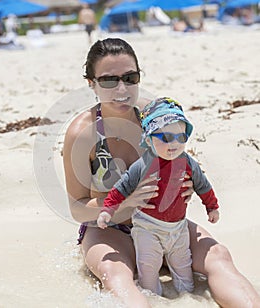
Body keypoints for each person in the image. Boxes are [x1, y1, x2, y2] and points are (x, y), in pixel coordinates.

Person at [63, 38, 260, 308]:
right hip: (111, 230)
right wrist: (127, 203)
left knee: (219, 256)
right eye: (109, 80)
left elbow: (185, 160)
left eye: (130, 77)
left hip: (165, 224)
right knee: (117, 275)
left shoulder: (154, 115)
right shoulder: (82, 134)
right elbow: (77, 208)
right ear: (91, 83)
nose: (122, 89)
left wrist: (188, 182)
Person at [97, 97, 220, 296]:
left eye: (181, 138)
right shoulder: (142, 165)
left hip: (178, 228)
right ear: (148, 139)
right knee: (148, 268)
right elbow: (121, 188)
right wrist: (107, 210)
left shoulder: (188, 162)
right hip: (147, 226)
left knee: (183, 268)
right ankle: (154, 299)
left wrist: (212, 207)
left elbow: (203, 185)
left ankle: (187, 299)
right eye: (165, 137)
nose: (174, 144)